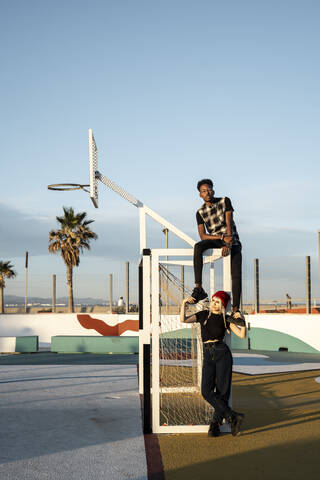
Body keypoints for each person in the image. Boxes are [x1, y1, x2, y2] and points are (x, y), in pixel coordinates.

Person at [180, 290, 246, 437]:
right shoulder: (203, 314)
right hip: (208, 354)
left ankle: (215, 425)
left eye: (218, 302)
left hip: (222, 353)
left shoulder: (226, 319)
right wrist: (184, 303)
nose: (214, 304)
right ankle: (232, 416)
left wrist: (242, 321)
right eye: (214, 300)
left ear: (222, 305)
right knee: (206, 391)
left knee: (222, 392)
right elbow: (183, 319)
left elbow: (241, 335)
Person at [191, 179, 242, 316]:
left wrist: (228, 243)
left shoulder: (225, 201)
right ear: (200, 195)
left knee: (236, 274)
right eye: (203, 191)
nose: (207, 193)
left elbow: (228, 222)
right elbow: (203, 236)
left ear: (213, 190)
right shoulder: (200, 212)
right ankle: (198, 287)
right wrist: (220, 239)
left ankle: (236, 310)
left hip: (231, 238)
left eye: (209, 189)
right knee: (198, 247)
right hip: (216, 239)